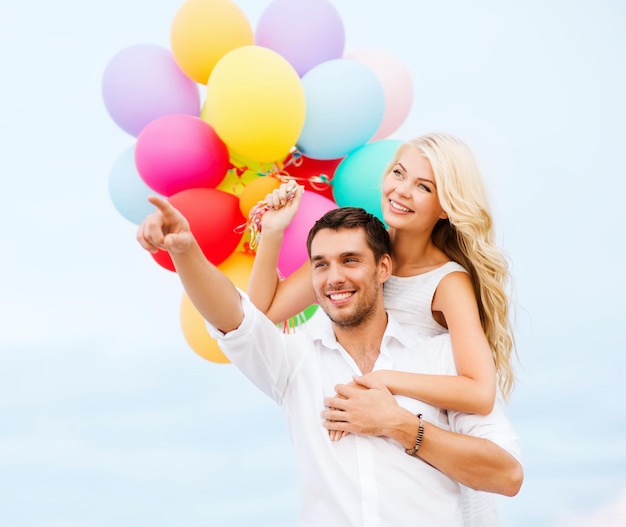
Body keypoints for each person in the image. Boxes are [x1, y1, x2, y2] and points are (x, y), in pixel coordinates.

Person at [137, 202, 523, 526]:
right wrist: (186, 251)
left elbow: (506, 475)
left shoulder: (440, 356)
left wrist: (399, 425)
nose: (334, 278)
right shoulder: (295, 362)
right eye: (320, 265)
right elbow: (235, 317)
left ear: (383, 268)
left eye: (350, 260)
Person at [247, 133, 516, 418]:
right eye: (398, 173)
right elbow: (262, 312)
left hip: (405, 435)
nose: (401, 191)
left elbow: (480, 393)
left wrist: (384, 378)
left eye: (423, 187)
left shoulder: (447, 283)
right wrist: (272, 231)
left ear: (446, 208)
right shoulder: (354, 251)